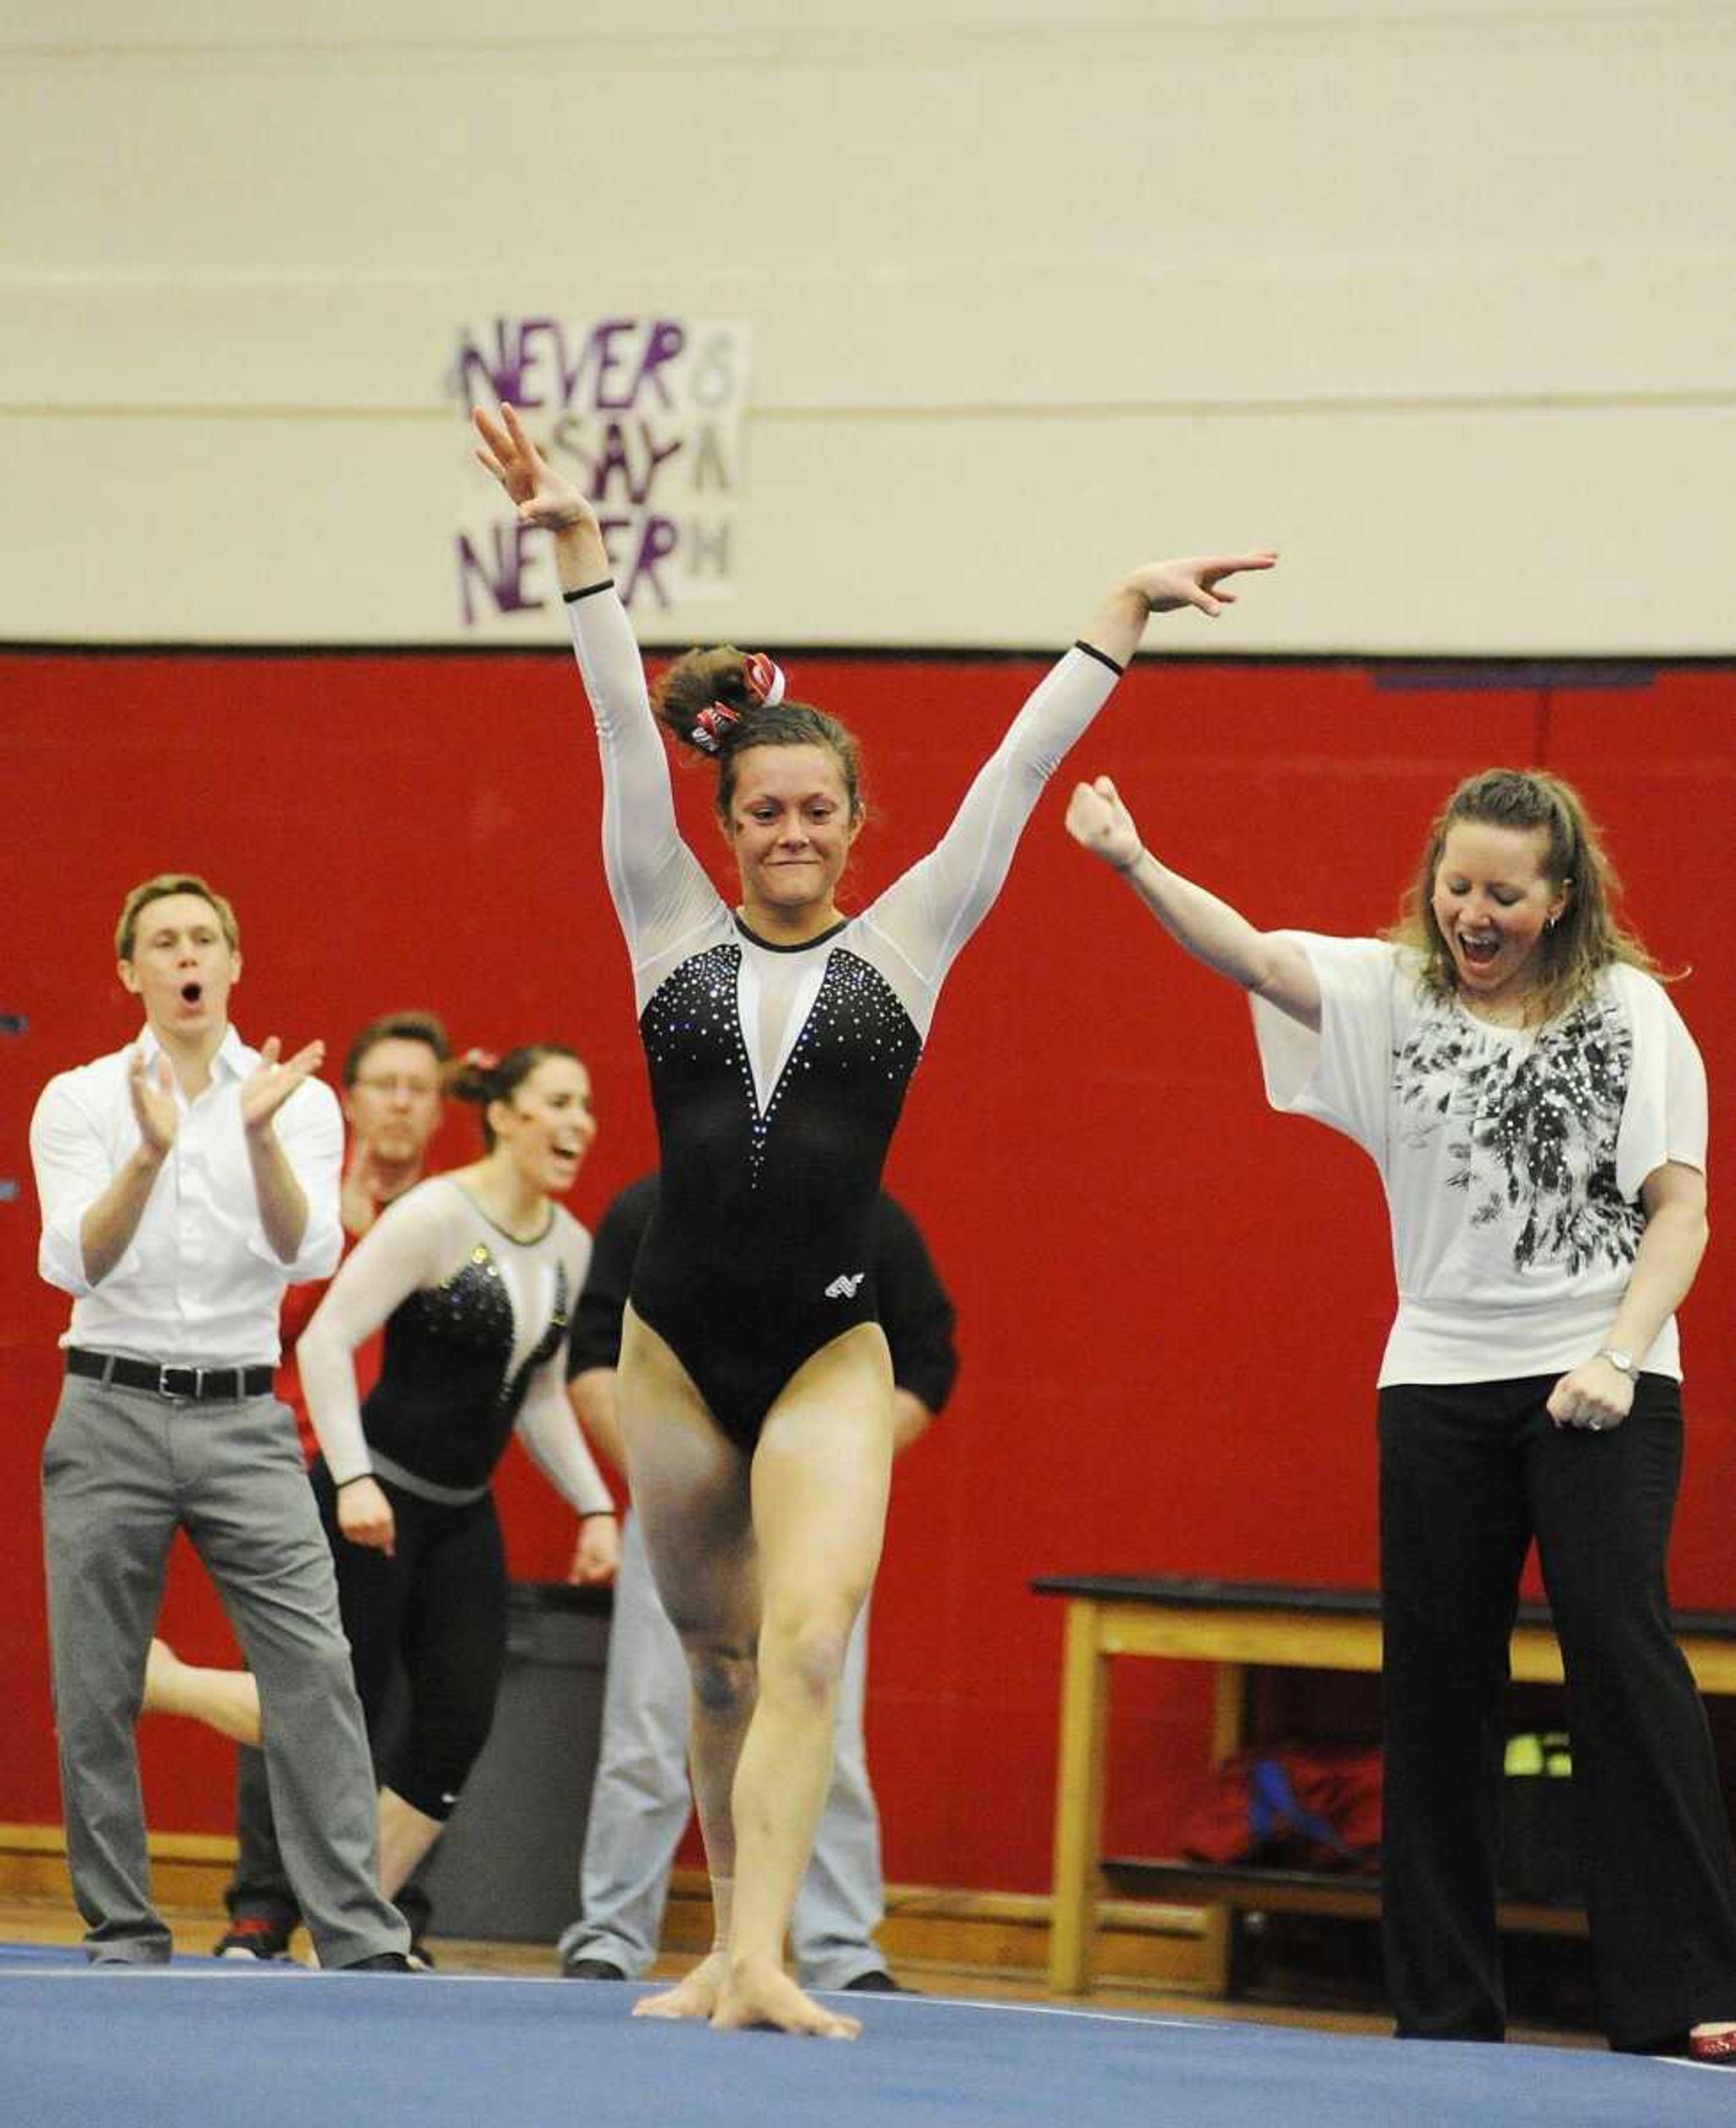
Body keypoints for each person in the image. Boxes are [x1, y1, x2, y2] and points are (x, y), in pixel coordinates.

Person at [475, 396, 1274, 2036]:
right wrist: (574, 551)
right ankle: (722, 1945)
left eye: (814, 811)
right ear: (726, 825)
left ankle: (762, 1952)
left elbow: (1016, 767)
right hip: (679, 1347)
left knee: (812, 1643)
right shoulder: (660, 930)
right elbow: (623, 727)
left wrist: (1115, 615)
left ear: (852, 823)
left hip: (830, 1351)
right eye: (760, 811)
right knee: (714, 1666)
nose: (787, 832)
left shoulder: (905, 945)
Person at [1065, 763, 1736, 2062]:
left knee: (1621, 1655)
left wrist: (1615, 1351)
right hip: (1436, 1377)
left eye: (1504, 894)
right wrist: (1134, 863)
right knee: (1436, 1686)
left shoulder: (1631, 1012)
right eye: (1456, 887)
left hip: (1602, 1373)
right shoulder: (1390, 992)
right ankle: (1441, 2008)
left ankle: (1684, 1993)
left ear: (1559, 898)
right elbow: (1255, 958)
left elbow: (1682, 1208)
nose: (1473, 914)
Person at [28, 872, 411, 1970]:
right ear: (131, 971)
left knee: (315, 1667)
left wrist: (252, 1138)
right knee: (97, 1683)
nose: (186, 954)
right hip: (106, 1402)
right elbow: (72, 1258)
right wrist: (150, 1151)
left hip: (244, 1417)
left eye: (204, 937)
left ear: (234, 963)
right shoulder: (81, 1099)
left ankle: (355, 1932)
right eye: (163, 940)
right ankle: (123, 1926)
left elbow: (310, 1253)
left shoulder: (297, 1097)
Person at [557, 1174, 957, 1992]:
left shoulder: (868, 1218)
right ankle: (611, 1935)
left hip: (812, 1510)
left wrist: (837, 1476)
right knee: (652, 1722)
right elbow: (594, 1361)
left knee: (823, 1718)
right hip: (682, 1497)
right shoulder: (650, 1212)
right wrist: (673, 1481)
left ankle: (841, 1944)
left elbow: (927, 1363)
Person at [147, 1011, 455, 1961]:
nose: (401, 1102)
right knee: (287, 1674)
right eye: (385, 1083)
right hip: (295, 1464)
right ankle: (263, 1903)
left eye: (420, 1086)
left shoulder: (452, 1221)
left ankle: (387, 1901)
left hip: (400, 1483)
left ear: (439, 1108)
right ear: (354, 1098)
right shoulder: (301, 1200)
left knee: (399, 1693)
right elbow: (262, 1318)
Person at [292, 1044, 620, 1910]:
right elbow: (325, 1340)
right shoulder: (433, 1215)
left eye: (585, 1103)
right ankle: (171, 1688)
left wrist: (592, 1503)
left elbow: (539, 1393)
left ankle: (360, 1910)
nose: (578, 1120)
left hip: (460, 1513)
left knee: (456, 1720)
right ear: (504, 1115)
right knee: (337, 1710)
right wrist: (353, 1479)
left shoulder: (569, 1246)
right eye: (557, 1100)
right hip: (374, 1496)